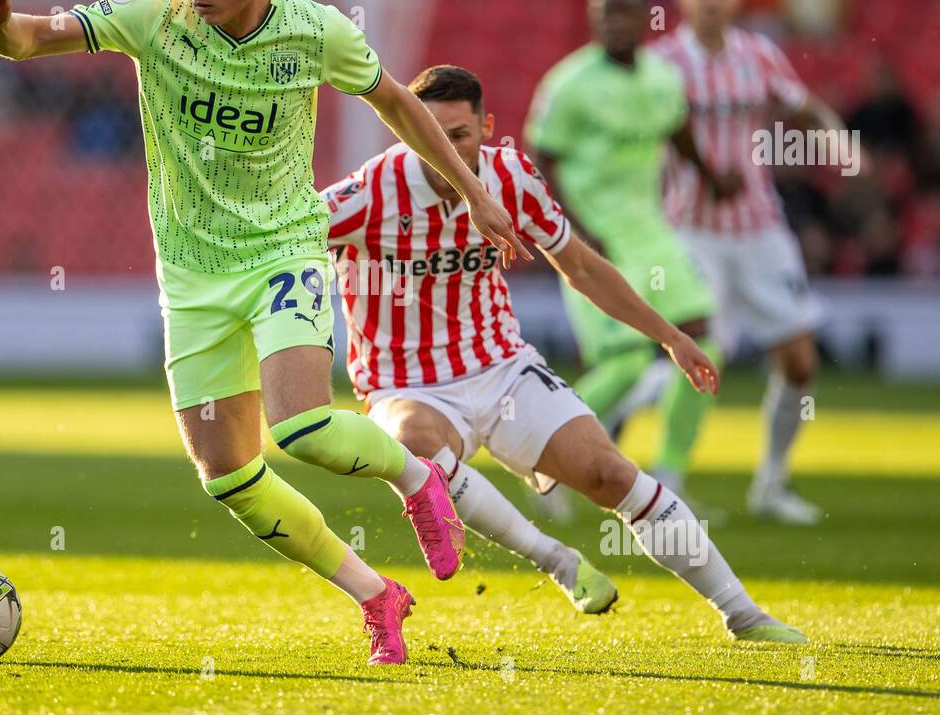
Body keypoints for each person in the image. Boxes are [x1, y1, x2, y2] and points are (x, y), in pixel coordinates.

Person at [0, 0, 531, 666]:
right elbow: (33, 40)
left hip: (282, 253)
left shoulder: (314, 30)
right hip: (192, 278)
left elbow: (397, 103)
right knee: (226, 475)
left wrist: (475, 193)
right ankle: (377, 596)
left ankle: (418, 480)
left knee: (302, 428)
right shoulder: (155, 14)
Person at [324, 64, 806, 643]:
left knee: (610, 474)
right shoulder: (371, 190)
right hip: (405, 384)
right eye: (429, 134)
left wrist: (670, 335)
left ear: (487, 128)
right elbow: (277, 234)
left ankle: (745, 616)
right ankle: (559, 560)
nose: (444, 151)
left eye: (460, 135)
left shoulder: (512, 177)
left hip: (501, 367)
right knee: (413, 444)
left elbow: (579, 266)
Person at [651, 0, 853, 524]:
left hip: (760, 227)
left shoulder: (759, 54)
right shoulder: (663, 63)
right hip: (691, 230)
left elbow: (802, 105)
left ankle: (771, 483)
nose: (712, 1)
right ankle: (669, 484)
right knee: (699, 353)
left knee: (800, 363)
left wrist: (837, 138)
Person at [524, 0, 734, 509]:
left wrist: (711, 176)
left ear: (644, 20)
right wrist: (571, 231)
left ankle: (671, 475)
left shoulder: (664, 78)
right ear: (593, 21)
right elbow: (538, 161)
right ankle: (543, 465)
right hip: (594, 243)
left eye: (624, 14)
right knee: (626, 364)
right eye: (604, 15)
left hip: (653, 233)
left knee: (705, 345)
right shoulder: (568, 84)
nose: (615, 24)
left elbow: (678, 131)